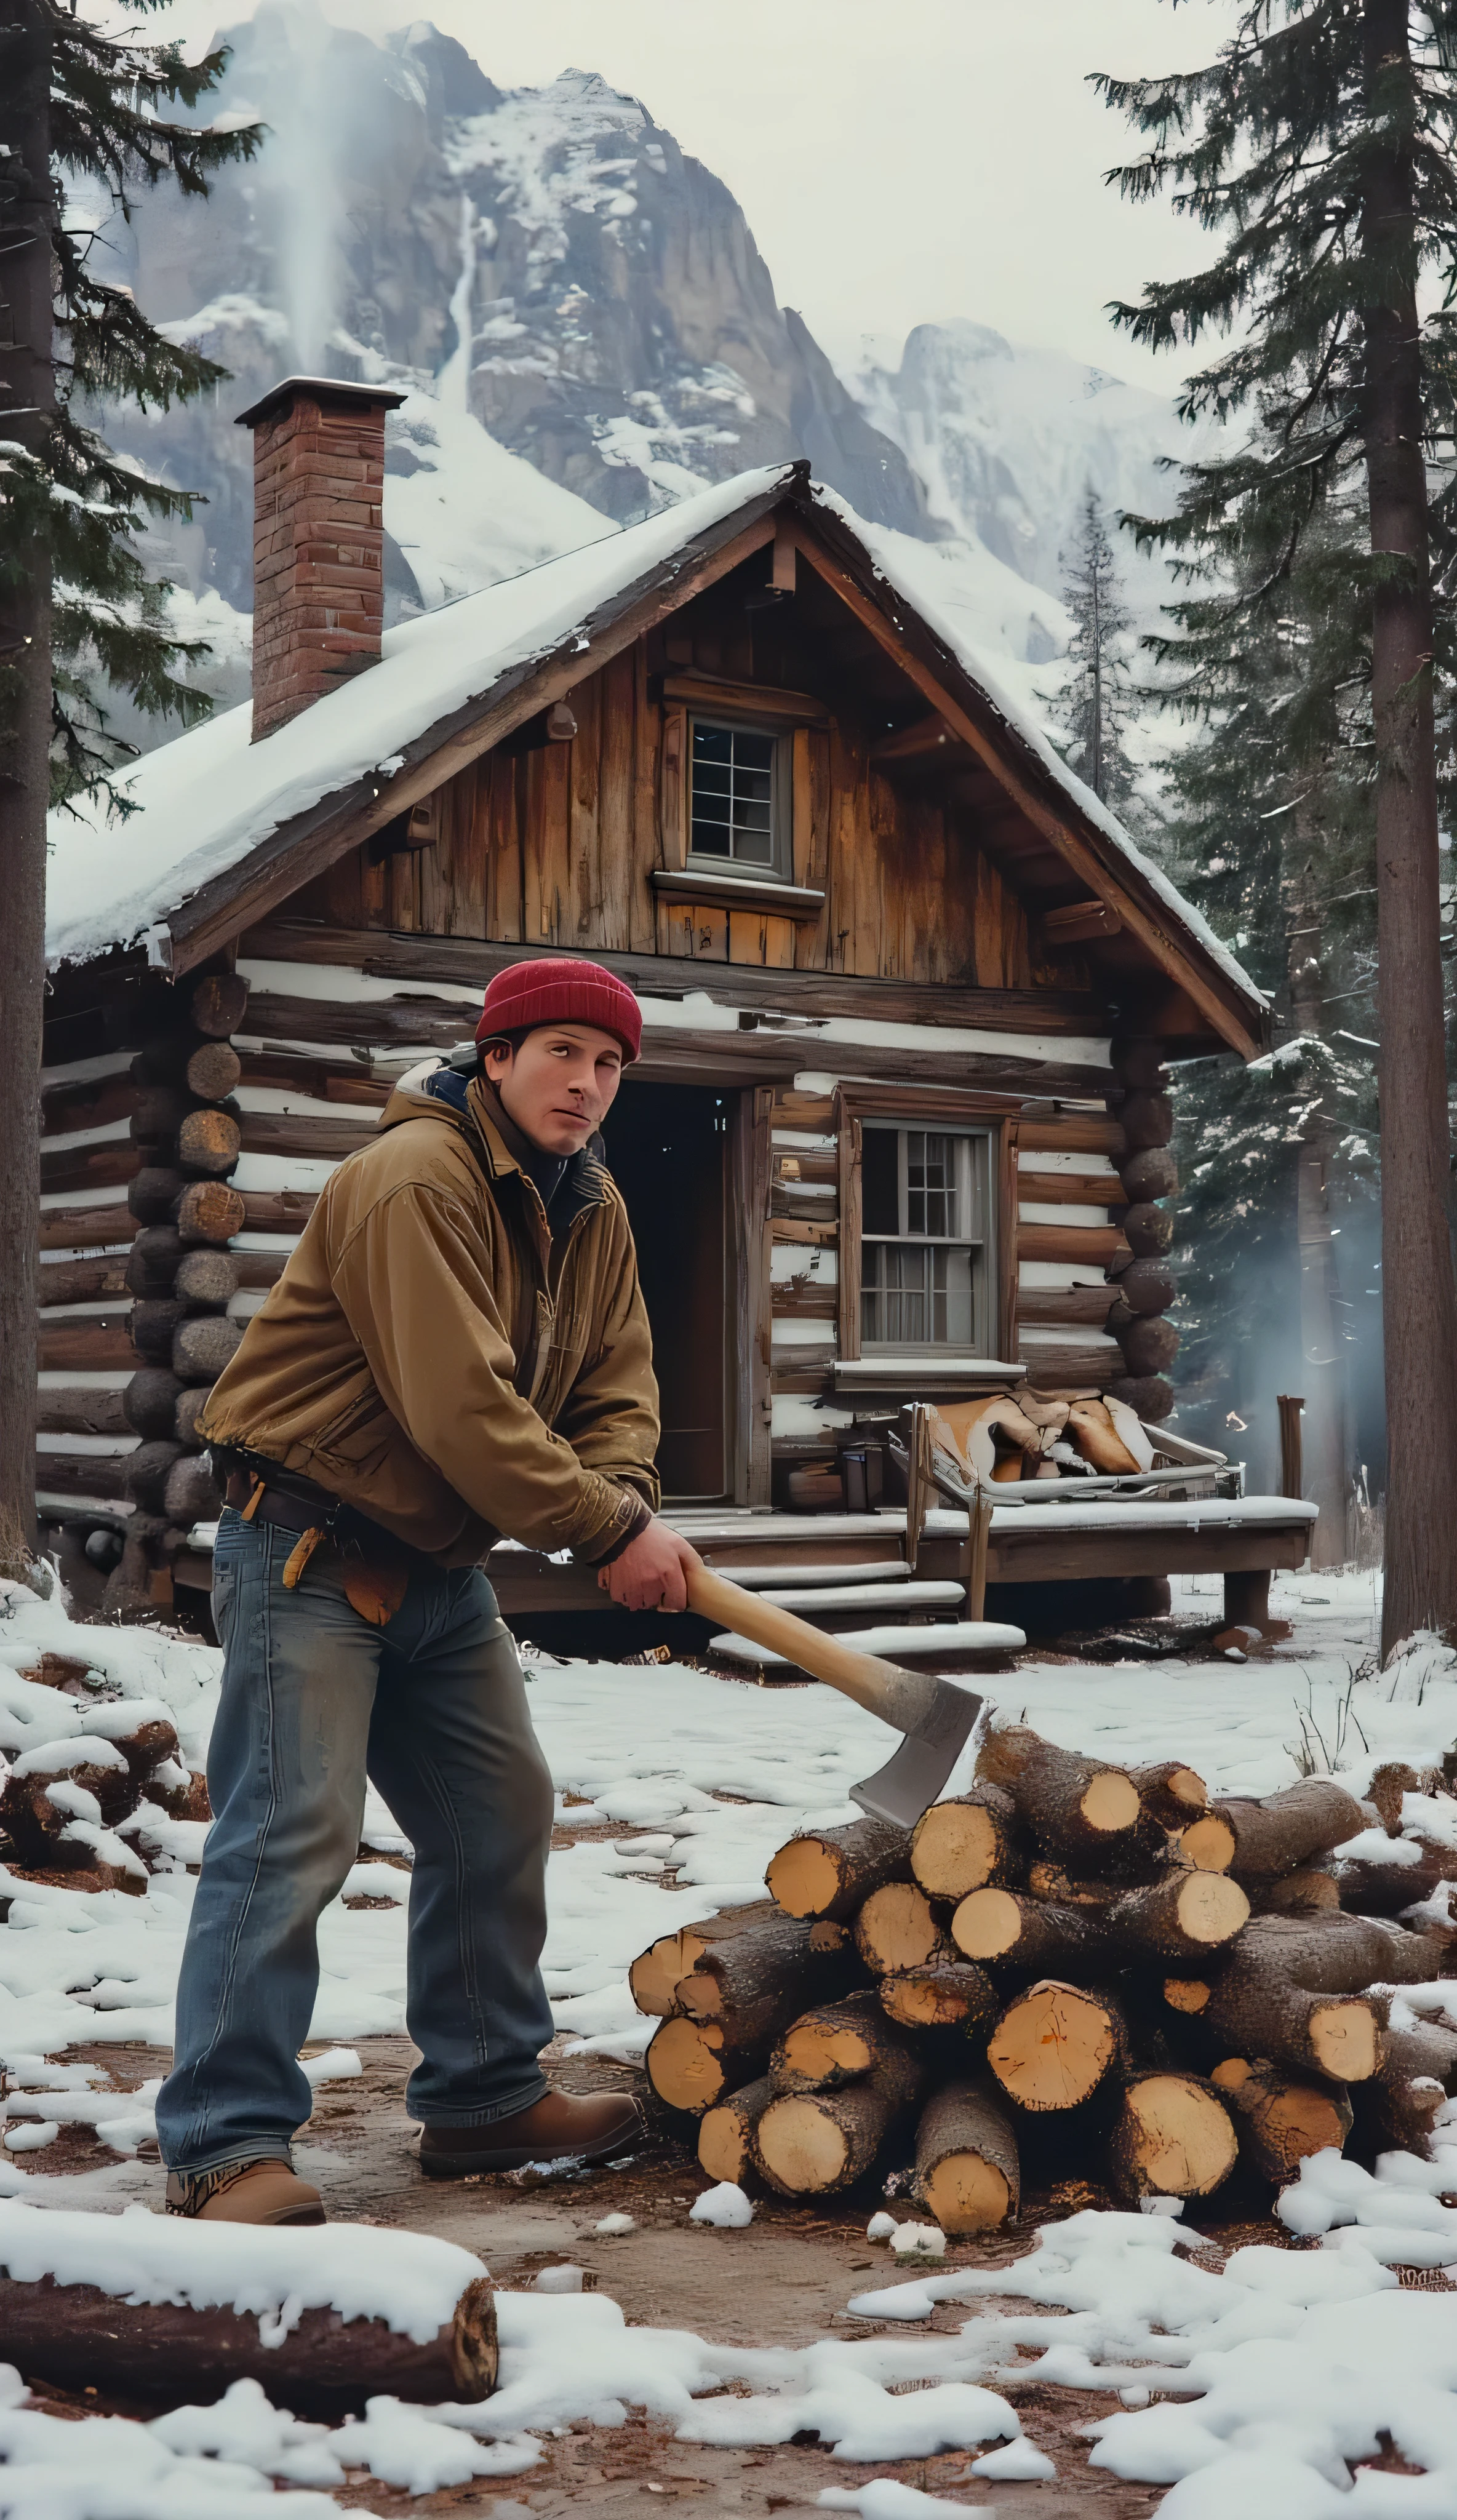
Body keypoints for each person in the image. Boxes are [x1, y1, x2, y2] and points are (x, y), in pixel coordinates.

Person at [156, 957, 698, 2224]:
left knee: (495, 1810)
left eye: (609, 1062)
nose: (587, 1082)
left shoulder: (591, 1206)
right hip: (306, 1547)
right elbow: (459, 1404)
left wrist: (620, 1494)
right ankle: (225, 2142)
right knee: (292, 1832)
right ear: (495, 1055)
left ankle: (481, 2095)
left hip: (437, 1564)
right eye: (561, 1051)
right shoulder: (413, 1177)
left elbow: (618, 1384)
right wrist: (600, 1527)